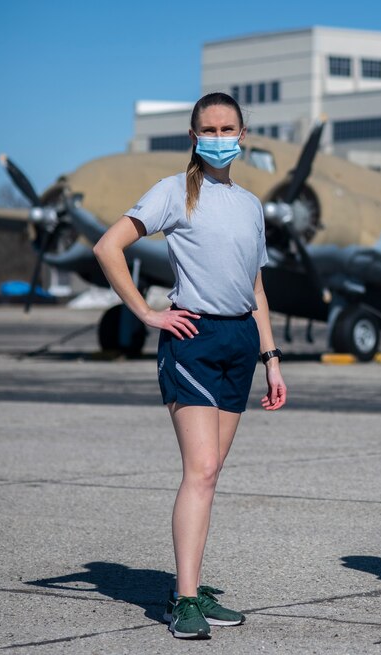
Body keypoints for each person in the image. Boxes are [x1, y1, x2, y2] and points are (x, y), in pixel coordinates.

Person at [93, 92, 287, 639]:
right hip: (193, 339)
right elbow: (109, 247)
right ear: (193, 136)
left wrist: (271, 358)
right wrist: (147, 313)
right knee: (199, 472)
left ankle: (193, 585)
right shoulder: (173, 192)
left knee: (212, 474)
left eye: (228, 127)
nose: (219, 136)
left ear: (243, 134)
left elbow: (256, 287)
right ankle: (182, 601)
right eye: (209, 128)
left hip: (242, 342)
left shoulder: (250, 205)